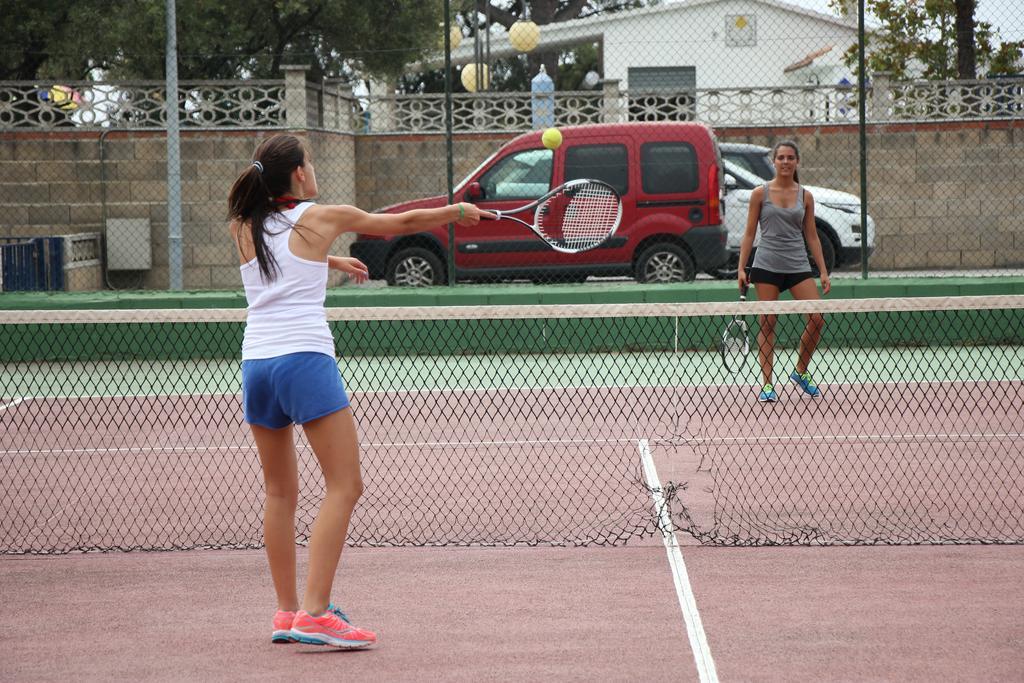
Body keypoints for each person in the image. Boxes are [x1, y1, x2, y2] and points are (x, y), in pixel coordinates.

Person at [227, 133, 491, 648]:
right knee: (345, 486)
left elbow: (280, 259)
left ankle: (286, 613)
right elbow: (400, 224)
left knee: (279, 493)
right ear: (299, 175)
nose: (314, 168)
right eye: (311, 161)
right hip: (304, 361)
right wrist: (456, 211)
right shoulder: (323, 217)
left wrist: (330, 262)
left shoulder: (245, 224)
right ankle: (316, 613)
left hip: (256, 364)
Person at [736, 140, 831, 403]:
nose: (786, 162)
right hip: (766, 265)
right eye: (781, 158)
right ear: (774, 162)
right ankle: (767, 384)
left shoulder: (806, 196)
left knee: (817, 318)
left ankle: (800, 371)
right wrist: (741, 268)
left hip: (798, 266)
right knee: (768, 323)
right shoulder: (759, 194)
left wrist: (822, 271)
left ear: (797, 162)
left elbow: (812, 236)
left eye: (791, 158)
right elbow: (749, 233)